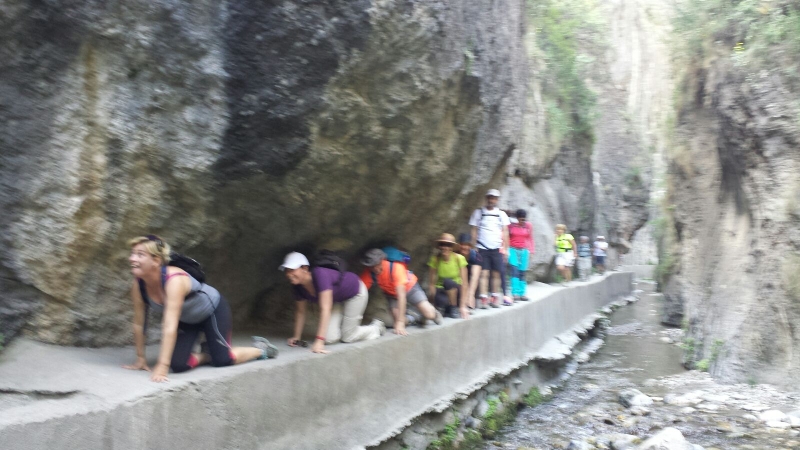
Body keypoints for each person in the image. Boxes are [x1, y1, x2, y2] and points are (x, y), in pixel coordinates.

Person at [125, 235, 277, 383]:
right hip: (187, 320)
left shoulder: (174, 280)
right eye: (133, 254)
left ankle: (261, 349)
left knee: (223, 359)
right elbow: (139, 324)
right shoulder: (139, 286)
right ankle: (207, 354)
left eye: (140, 255)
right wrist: (140, 358)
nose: (132, 259)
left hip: (212, 311)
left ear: (156, 260)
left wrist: (162, 366)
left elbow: (169, 326)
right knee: (178, 365)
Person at [282, 252, 385, 354]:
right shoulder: (297, 287)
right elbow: (300, 312)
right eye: (286, 270)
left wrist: (319, 341)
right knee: (329, 338)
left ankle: (376, 328)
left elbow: (325, 309)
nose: (288, 274)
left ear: (304, 268)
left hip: (355, 292)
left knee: (348, 336)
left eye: (292, 270)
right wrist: (297, 337)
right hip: (336, 299)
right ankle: (345, 327)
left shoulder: (320, 274)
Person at [360, 248, 443, 335]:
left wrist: (400, 322)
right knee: (396, 321)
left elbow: (401, 296)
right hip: (392, 295)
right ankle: (414, 317)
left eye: (377, 264)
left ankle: (434, 313)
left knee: (429, 315)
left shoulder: (396, 268)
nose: (375, 268)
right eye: (372, 266)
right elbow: (360, 291)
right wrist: (399, 321)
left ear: (382, 260)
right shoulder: (370, 272)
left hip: (410, 287)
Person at [469, 189, 511, 308]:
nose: (491, 200)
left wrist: (506, 249)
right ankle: (483, 298)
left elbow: (505, 232)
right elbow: (474, 230)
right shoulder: (478, 212)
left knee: (496, 273)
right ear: (487, 198)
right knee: (484, 273)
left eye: (494, 198)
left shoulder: (501, 214)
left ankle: (494, 297)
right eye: (490, 197)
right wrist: (473, 246)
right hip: (482, 247)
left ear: (497, 200)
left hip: (496, 248)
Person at [427, 233, 470, 319]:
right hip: (442, 290)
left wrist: (463, 306)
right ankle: (445, 308)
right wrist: (433, 300)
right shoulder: (435, 259)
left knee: (448, 282)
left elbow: (465, 284)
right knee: (440, 297)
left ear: (452, 247)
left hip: (456, 291)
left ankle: (453, 307)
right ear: (439, 246)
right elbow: (432, 283)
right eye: (442, 244)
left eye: (448, 245)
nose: (445, 247)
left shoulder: (459, 258)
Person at [508, 209, 535, 301]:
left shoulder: (528, 225)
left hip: (524, 250)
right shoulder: (511, 226)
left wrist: (532, 251)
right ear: (517, 218)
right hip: (512, 250)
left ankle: (522, 293)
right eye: (520, 219)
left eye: (524, 219)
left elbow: (530, 238)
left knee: (522, 272)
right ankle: (515, 293)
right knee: (514, 271)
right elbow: (505, 236)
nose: (522, 221)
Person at [457, 233, 482, 310]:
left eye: (467, 245)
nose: (465, 247)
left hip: (471, 283)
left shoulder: (476, 256)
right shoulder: (455, 255)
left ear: (471, 246)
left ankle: (470, 299)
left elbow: (475, 277)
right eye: (462, 244)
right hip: (459, 282)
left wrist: (470, 295)